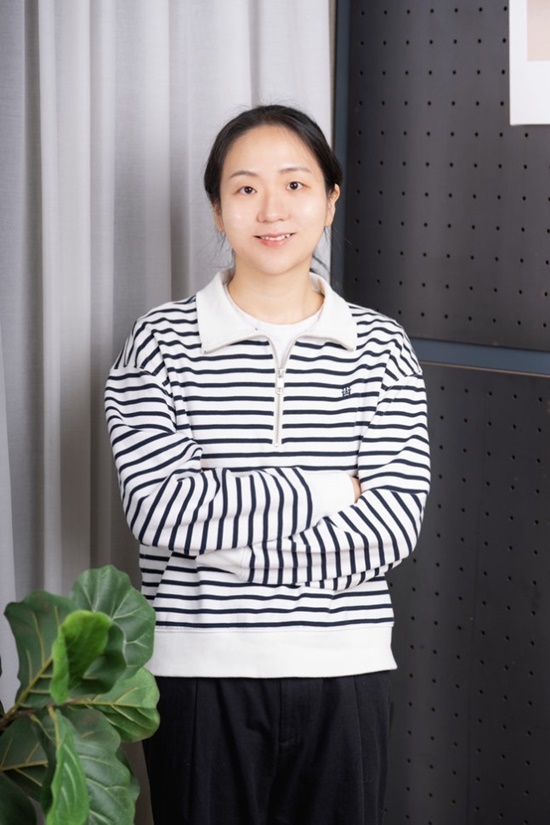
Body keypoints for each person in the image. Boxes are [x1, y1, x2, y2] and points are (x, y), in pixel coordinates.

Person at [105, 104, 431, 825]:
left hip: (346, 670)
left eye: (295, 184)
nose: (272, 209)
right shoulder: (158, 342)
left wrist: (219, 542)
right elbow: (161, 511)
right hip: (197, 676)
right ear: (217, 210)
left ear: (330, 200)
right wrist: (331, 490)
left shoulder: (383, 348)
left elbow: (391, 528)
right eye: (246, 188)